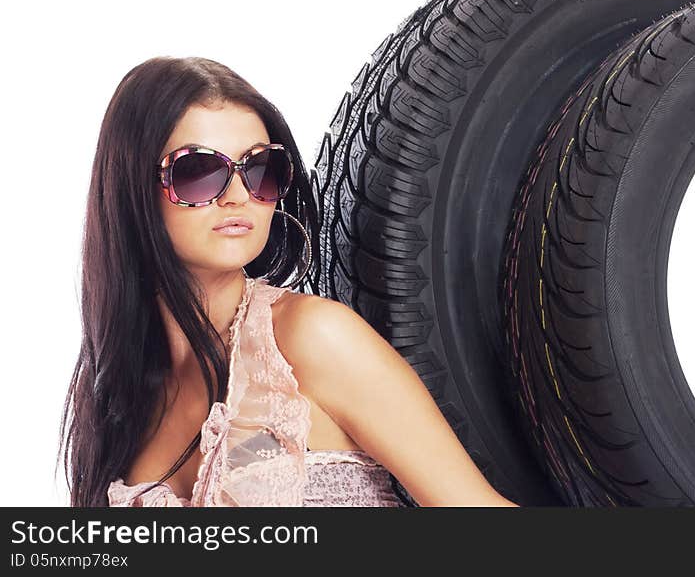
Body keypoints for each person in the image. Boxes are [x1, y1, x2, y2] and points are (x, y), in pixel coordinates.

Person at [57, 56, 519, 508]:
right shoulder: (115, 402)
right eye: (199, 171)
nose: (238, 196)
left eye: (260, 169)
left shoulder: (310, 339)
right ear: (130, 190)